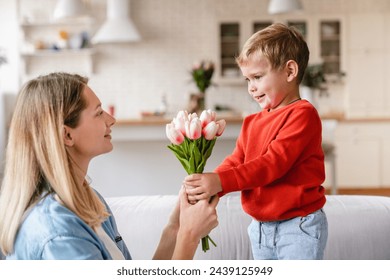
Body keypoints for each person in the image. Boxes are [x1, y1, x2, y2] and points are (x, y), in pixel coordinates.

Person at [0, 72, 219, 260]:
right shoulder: (58, 233)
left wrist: (175, 227)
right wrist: (189, 237)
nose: (111, 119)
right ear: (67, 134)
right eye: (98, 113)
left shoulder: (89, 200)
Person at [184, 23, 328, 260]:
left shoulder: (302, 114)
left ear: (290, 71)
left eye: (258, 77)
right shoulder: (253, 121)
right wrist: (210, 190)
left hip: (299, 226)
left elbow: (272, 164)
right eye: (247, 79)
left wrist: (221, 182)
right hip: (260, 227)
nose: (251, 88)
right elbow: (237, 160)